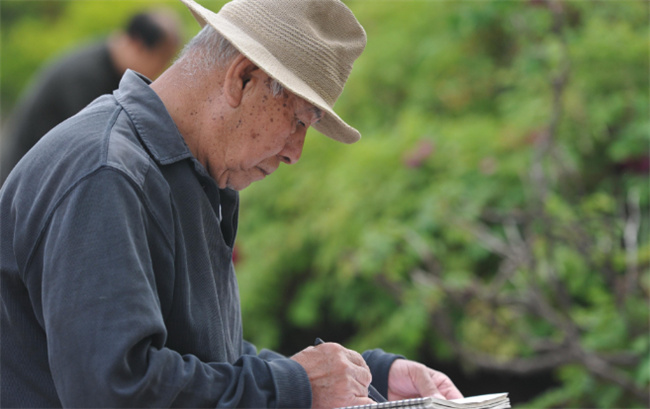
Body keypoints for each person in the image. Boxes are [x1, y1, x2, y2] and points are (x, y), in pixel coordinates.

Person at [0, 0, 463, 407]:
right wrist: (297, 387)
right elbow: (117, 391)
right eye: (300, 120)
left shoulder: (186, 176)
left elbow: (205, 363)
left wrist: (366, 378)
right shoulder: (106, 173)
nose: (295, 152)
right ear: (242, 78)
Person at [0, 8, 182, 183]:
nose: (161, 71)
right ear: (137, 44)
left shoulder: (112, 70)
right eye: (162, 59)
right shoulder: (85, 76)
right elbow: (94, 147)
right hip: (24, 180)